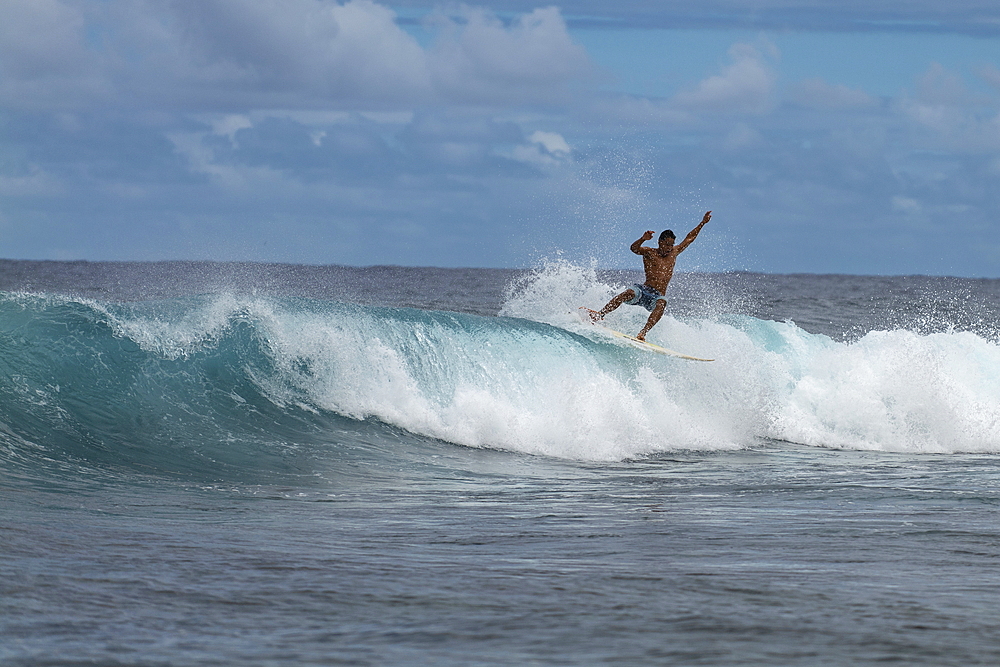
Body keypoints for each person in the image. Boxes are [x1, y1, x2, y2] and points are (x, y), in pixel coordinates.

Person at [585, 211, 712, 340]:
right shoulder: (649, 252)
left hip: (657, 296)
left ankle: (642, 333)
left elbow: (689, 238)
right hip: (644, 290)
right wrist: (642, 239)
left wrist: (702, 223)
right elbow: (633, 249)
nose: (669, 247)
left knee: (662, 304)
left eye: (671, 244)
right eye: (667, 244)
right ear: (660, 242)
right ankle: (600, 314)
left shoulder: (674, 252)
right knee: (627, 293)